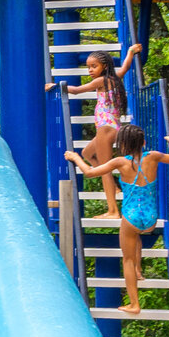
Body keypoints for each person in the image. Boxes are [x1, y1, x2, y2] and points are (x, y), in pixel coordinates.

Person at [67, 125, 169, 314]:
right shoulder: (153, 156)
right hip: (151, 217)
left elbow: (88, 172)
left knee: (126, 259)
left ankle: (134, 303)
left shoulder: (120, 162)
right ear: (143, 143)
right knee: (136, 236)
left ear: (122, 145)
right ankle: (138, 270)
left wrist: (76, 157)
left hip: (131, 217)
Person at [46, 43, 142, 218]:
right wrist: (131, 52)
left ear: (104, 66)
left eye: (94, 66)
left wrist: (55, 86)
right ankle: (114, 187)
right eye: (88, 67)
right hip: (113, 128)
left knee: (104, 169)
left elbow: (75, 90)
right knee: (87, 153)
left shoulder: (101, 81)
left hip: (105, 130)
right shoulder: (115, 77)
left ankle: (113, 210)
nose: (90, 70)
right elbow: (126, 66)